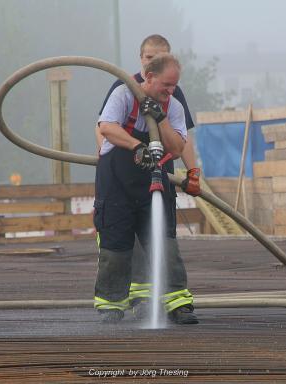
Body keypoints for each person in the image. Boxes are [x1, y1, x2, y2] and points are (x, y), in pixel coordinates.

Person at [95, 35, 201, 316]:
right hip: (117, 181)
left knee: (163, 241)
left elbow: (178, 147)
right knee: (116, 243)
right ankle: (111, 305)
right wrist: (137, 145)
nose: (172, 90)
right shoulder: (123, 93)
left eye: (175, 84)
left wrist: (161, 119)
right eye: (167, 85)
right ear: (148, 75)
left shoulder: (173, 106)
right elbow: (105, 127)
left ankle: (177, 302)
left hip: (153, 180)